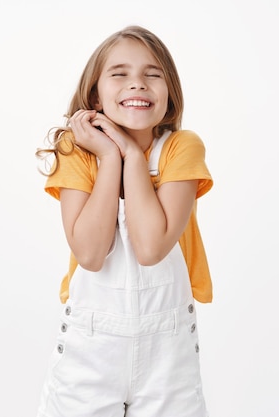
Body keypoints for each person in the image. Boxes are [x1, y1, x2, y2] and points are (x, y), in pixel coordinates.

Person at [35, 25, 214, 417]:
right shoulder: (77, 152)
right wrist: (110, 158)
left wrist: (132, 156)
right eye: (120, 74)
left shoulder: (182, 148)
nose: (138, 84)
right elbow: (91, 254)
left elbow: (151, 248)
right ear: (96, 93)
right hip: (89, 352)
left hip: (168, 359)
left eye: (153, 75)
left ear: (170, 94)